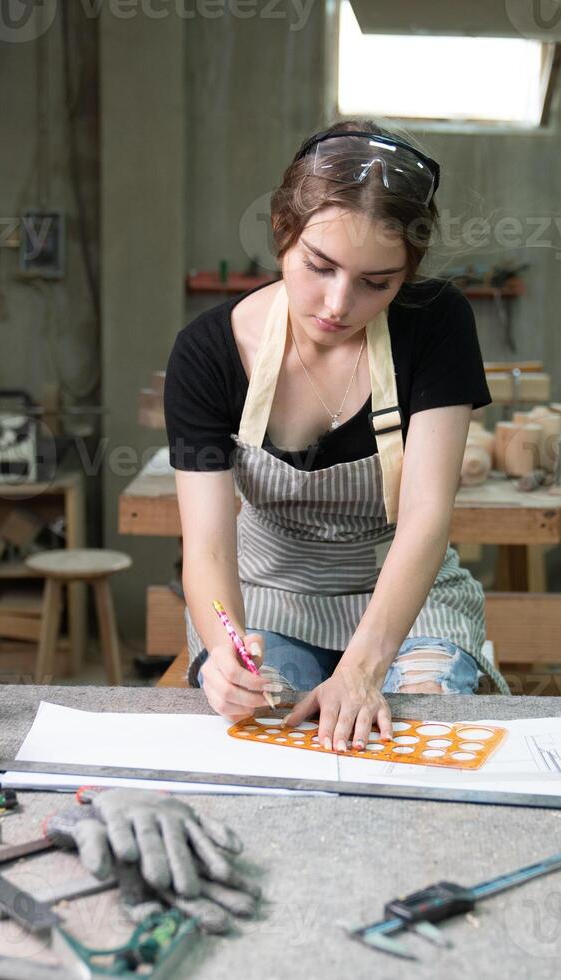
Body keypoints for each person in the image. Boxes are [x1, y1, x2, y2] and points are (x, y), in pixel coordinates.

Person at [164, 120, 509, 755]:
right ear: (281, 232)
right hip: (269, 600)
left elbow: (426, 518)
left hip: (406, 597)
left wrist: (361, 669)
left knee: (418, 739)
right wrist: (224, 649)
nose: (337, 303)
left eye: (376, 282)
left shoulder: (436, 324)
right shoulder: (206, 354)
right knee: (267, 735)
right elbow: (208, 548)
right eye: (319, 267)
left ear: (406, 274)